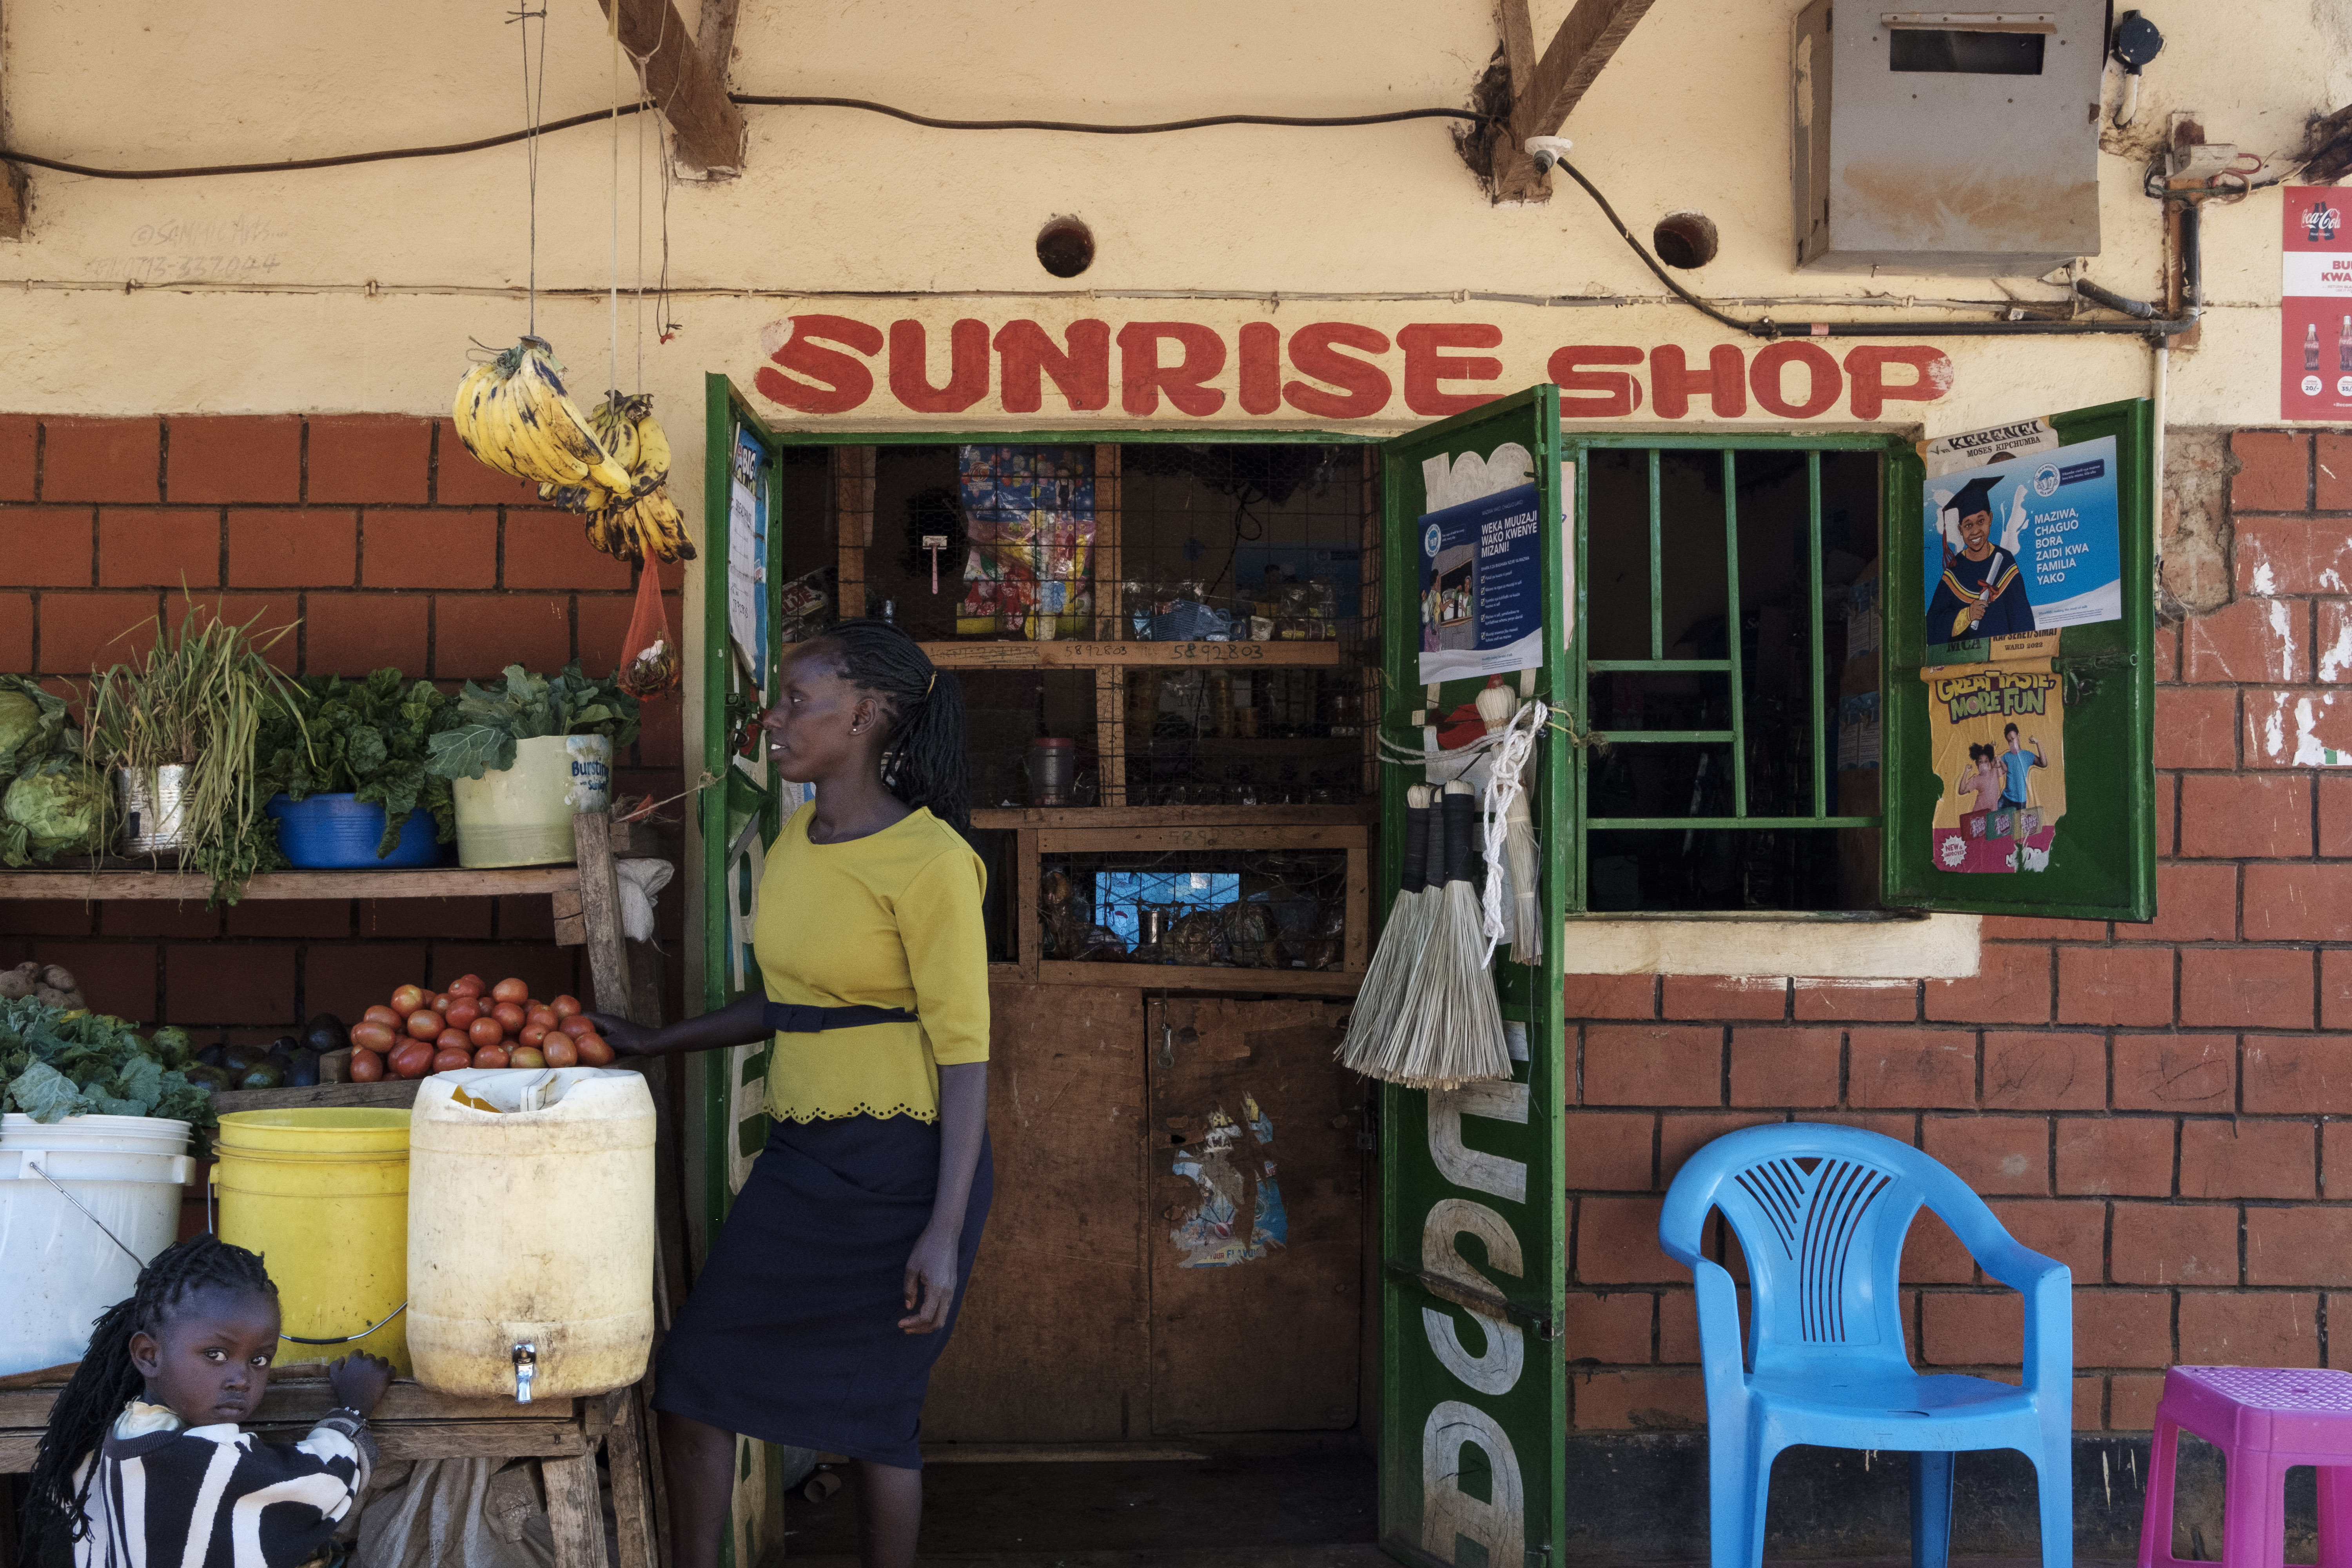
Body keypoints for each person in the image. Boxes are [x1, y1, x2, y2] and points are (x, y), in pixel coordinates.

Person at [586, 619, 992, 1568]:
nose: (774, 718)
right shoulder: (801, 837)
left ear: (867, 714)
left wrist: (943, 1225)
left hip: (905, 1169)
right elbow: (789, 1001)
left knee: (877, 1415)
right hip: (805, 1158)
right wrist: (659, 1041)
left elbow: (967, 1049)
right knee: (693, 1380)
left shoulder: (932, 861)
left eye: (798, 699)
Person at [19, 1234, 393, 1568]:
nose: (241, 1378)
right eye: (215, 1354)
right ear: (149, 1355)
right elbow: (322, 1484)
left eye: (259, 1359)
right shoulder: (207, 1459)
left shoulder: (111, 1435)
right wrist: (354, 1408)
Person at [1927, 474, 2036, 645]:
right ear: (1960, 530)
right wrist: (1967, 615)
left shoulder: (2005, 562)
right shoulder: (1955, 570)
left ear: (1990, 519)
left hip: (2006, 657)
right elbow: (1933, 628)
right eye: (1968, 525)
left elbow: (2022, 618)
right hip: (1968, 661)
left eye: (1981, 521)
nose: (1976, 531)